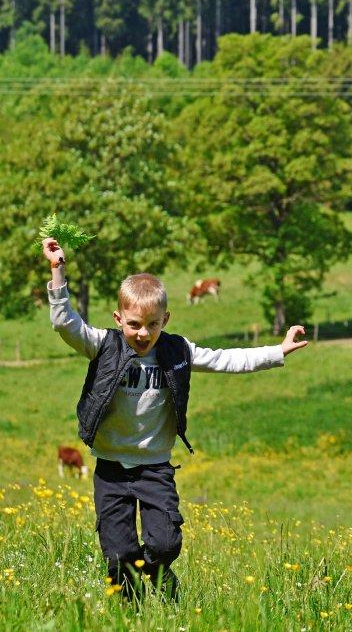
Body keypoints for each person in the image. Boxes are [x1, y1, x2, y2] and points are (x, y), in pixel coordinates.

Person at [42, 237, 309, 600]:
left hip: (155, 467)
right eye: (134, 324)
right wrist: (57, 269)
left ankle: (158, 576)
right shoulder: (102, 345)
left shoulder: (176, 350)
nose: (143, 333)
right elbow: (65, 323)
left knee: (166, 544)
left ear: (164, 319)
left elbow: (226, 360)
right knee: (118, 555)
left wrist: (277, 351)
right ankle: (128, 616)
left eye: (152, 324)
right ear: (119, 318)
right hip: (111, 467)